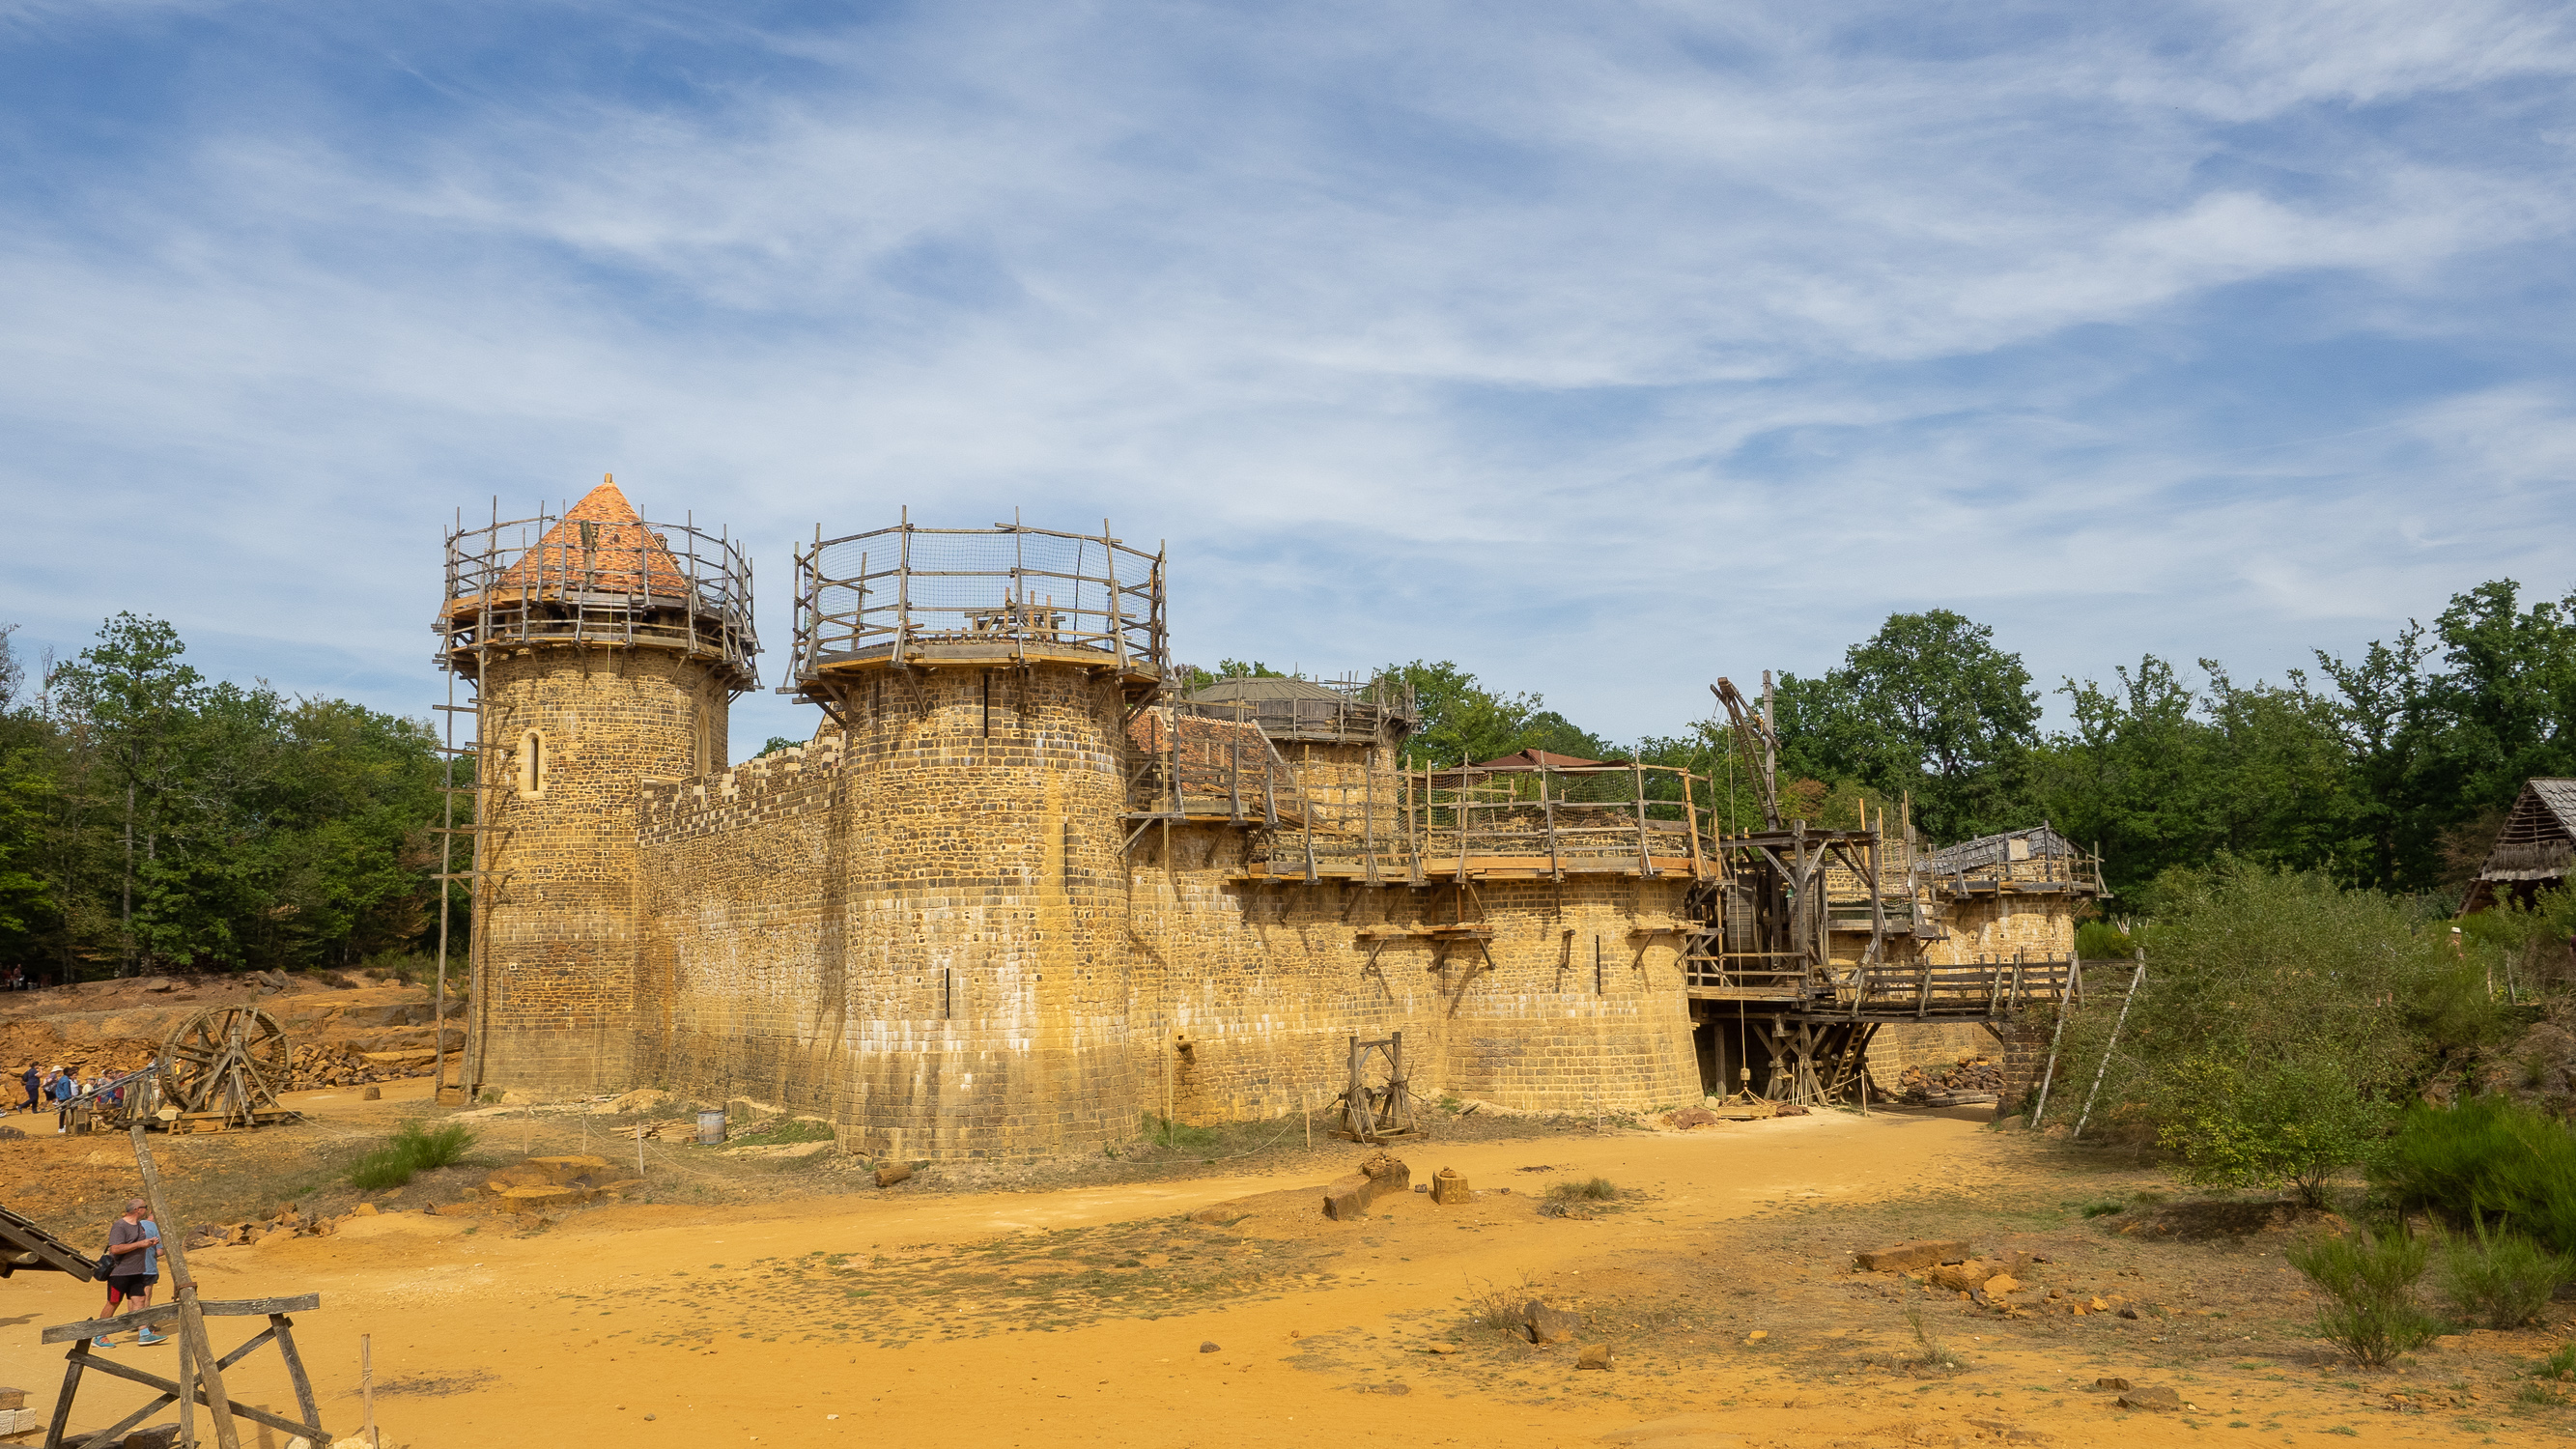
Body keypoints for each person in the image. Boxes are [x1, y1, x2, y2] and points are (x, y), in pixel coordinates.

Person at [93, 1200, 164, 1348]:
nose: (146, 1210)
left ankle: (144, 1334)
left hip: (137, 1272)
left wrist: (149, 1243)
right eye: (144, 1207)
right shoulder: (120, 1226)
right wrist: (140, 1244)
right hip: (120, 1273)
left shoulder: (139, 1225)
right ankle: (99, 1336)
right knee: (113, 1302)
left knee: (140, 1301)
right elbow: (115, 1249)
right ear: (137, 1209)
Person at [50, 1065, 75, 1134]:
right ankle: (62, 1127)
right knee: (66, 1112)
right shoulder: (66, 1080)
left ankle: (62, 1126)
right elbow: (66, 1091)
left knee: (63, 1112)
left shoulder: (62, 1078)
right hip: (65, 1098)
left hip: (61, 1097)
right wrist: (70, 1098)